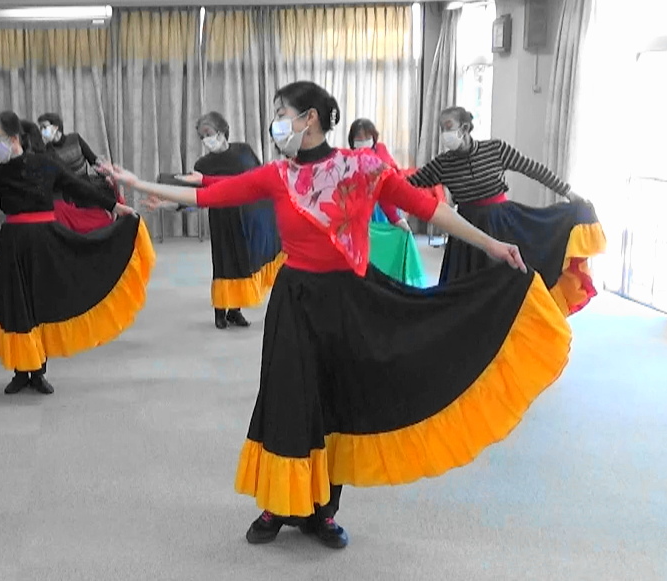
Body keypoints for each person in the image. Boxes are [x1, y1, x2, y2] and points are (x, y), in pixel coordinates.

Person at [99, 81, 571, 549]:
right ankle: (278, 505)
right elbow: (213, 196)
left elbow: (429, 209)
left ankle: (324, 510)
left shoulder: (362, 168)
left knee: (338, 402)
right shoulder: (278, 174)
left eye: (282, 112)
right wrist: (138, 184)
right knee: (287, 399)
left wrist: (491, 244)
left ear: (309, 119)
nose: (276, 122)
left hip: (349, 300)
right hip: (295, 302)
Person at [0, 112, 154, 395]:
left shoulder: (46, 164)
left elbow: (79, 188)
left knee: (43, 301)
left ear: (14, 138)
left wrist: (113, 206)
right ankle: (21, 372)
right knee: (16, 305)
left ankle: (38, 372)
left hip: (45, 241)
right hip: (12, 246)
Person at [408, 106, 606, 315]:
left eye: (448, 127)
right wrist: (385, 177)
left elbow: (533, 169)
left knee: (507, 282)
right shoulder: (442, 164)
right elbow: (409, 184)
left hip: (502, 224)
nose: (444, 134)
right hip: (466, 230)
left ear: (464, 128)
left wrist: (568, 192)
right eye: (442, 128)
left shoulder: (495, 149)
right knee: (465, 292)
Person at [189, 111, 283, 329]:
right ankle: (220, 310)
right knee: (223, 262)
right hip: (221, 218)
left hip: (246, 216)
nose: (205, 139)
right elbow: (199, 193)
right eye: (201, 136)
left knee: (243, 260)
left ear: (222, 131)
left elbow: (258, 178)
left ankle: (235, 310)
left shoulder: (243, 151)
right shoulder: (202, 164)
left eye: (208, 133)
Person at [348, 118, 426, 286]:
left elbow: (387, 185)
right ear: (352, 140)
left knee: (382, 246)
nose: (362, 141)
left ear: (374, 137)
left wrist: (396, 218)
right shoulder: (348, 158)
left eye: (366, 137)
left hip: (381, 208)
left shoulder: (381, 153)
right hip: (358, 209)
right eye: (358, 137)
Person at [38, 112, 124, 234]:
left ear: (55, 127)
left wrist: (107, 174)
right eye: (40, 128)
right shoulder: (48, 150)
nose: (41, 131)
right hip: (68, 195)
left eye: (44, 127)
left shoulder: (75, 139)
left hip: (87, 187)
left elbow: (93, 160)